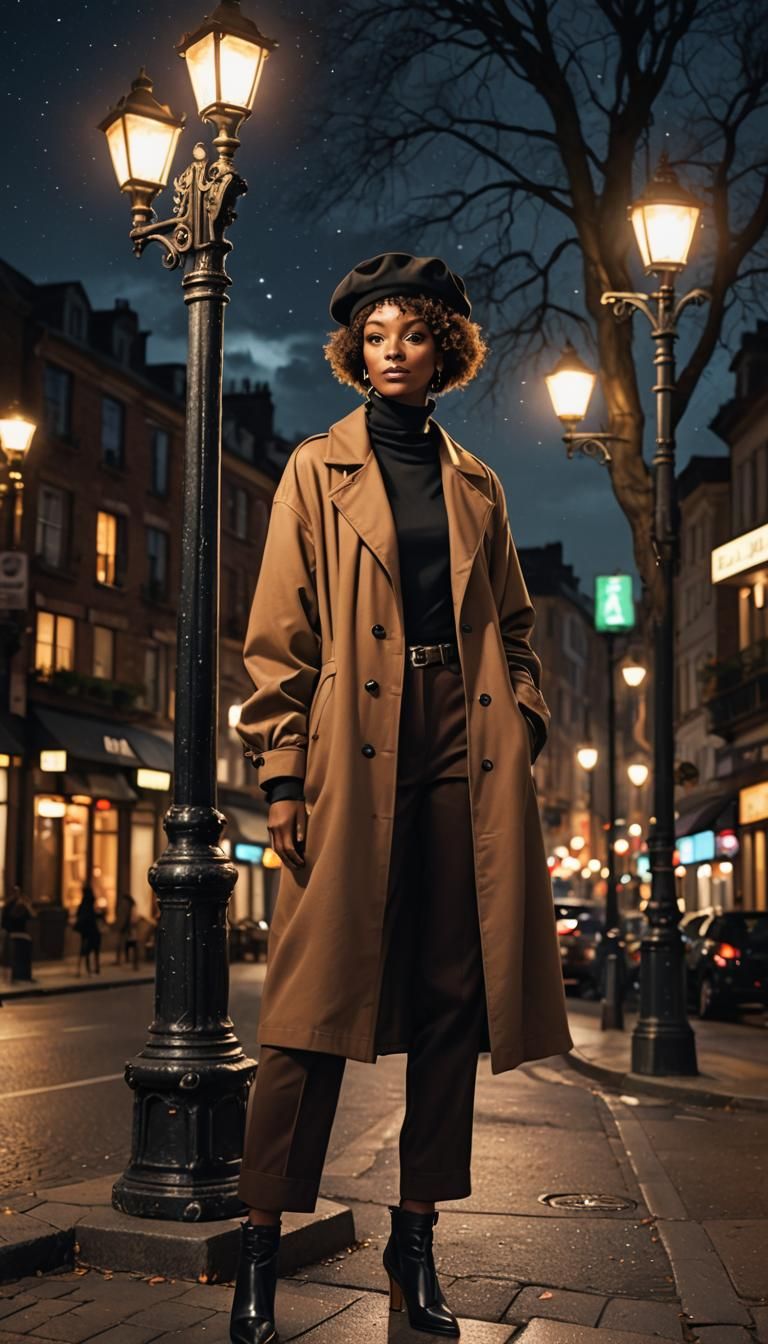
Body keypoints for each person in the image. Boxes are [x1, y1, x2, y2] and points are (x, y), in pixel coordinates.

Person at [230, 252, 573, 1344]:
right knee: (307, 1011)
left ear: (444, 351)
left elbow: (517, 631)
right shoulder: (313, 470)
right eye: (374, 334)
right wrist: (283, 774)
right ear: (352, 352)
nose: (391, 349)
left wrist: (522, 716)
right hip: (347, 753)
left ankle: (414, 1241)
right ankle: (258, 1251)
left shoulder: (479, 483)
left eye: (411, 333)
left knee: (448, 1001)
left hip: (461, 751)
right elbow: (279, 638)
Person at [1, 886, 36, 983]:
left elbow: (32, 916)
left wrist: (27, 905)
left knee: (23, 951)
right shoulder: (10, 905)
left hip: (19, 933)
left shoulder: (20, 905)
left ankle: (23, 975)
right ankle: (19, 974)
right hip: (14, 933)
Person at [73, 884, 104, 976]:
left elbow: (78, 915)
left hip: (85, 930)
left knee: (84, 950)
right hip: (92, 930)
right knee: (94, 949)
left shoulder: (83, 905)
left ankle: (86, 969)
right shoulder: (91, 904)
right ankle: (94, 968)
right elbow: (95, 916)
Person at [114, 892, 139, 970]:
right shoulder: (132, 907)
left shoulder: (130, 908)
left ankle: (134, 964)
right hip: (129, 929)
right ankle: (131, 963)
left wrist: (122, 926)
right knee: (128, 946)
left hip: (129, 929)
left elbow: (129, 919)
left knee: (131, 946)